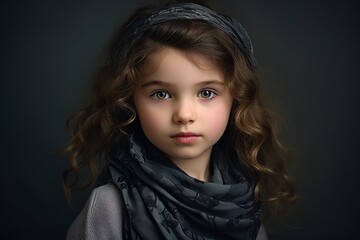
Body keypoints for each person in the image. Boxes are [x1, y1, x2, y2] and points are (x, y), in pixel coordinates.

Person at [63, 1, 296, 239]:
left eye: (206, 93)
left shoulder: (244, 207)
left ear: (236, 98)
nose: (184, 114)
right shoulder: (109, 208)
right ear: (130, 100)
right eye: (161, 94)